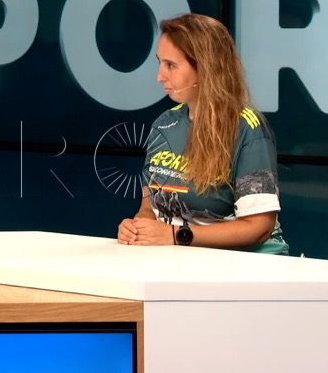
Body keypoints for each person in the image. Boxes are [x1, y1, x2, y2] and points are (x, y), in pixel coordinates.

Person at [117, 13, 288, 254]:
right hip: (180, 258)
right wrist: (136, 227)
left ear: (205, 68)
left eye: (171, 65)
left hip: (245, 263)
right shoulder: (163, 124)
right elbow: (149, 208)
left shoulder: (248, 128)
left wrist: (178, 235)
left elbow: (259, 227)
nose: (159, 76)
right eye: (160, 63)